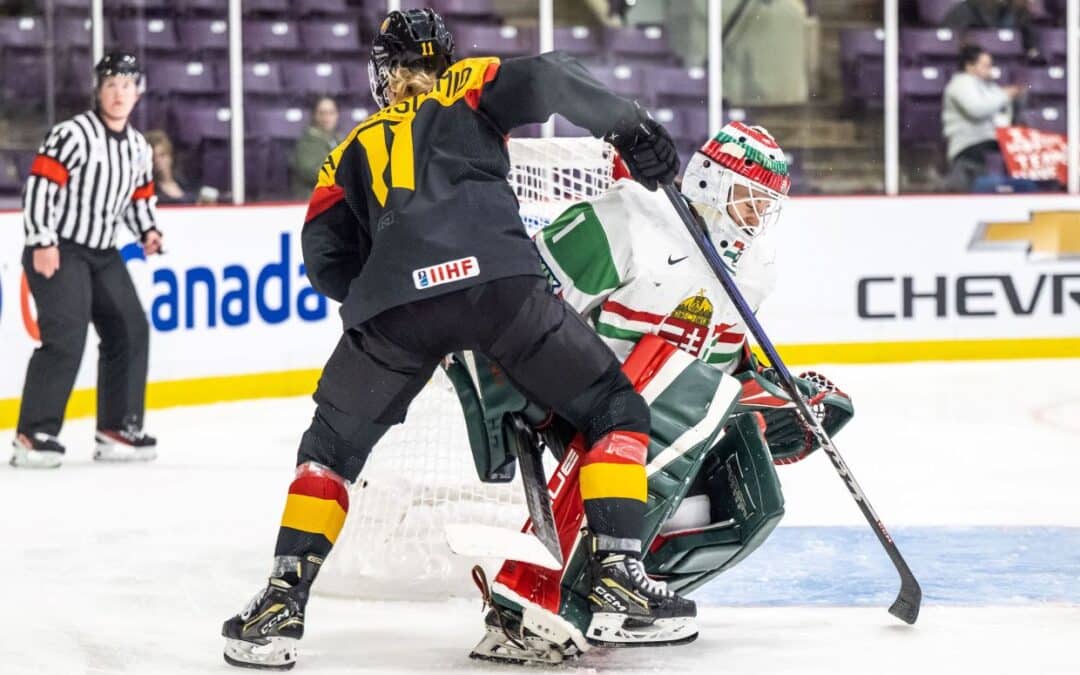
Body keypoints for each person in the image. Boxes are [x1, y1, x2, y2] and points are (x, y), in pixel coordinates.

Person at [221, 8, 688, 670]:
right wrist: (631, 127)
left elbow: (325, 263)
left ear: (383, 75)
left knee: (327, 453)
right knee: (614, 409)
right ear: (442, 60)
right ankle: (618, 577)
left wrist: (399, 292)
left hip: (393, 312)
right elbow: (552, 77)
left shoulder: (347, 147)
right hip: (501, 290)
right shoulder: (466, 84)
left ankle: (280, 603)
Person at [462, 123, 855, 664]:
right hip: (571, 398)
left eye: (767, 206)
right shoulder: (627, 220)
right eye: (748, 198)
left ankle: (613, 594)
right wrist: (495, 384)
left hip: (651, 418)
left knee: (743, 506)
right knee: (680, 386)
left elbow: (720, 364)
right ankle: (543, 590)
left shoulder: (754, 272)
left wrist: (774, 398)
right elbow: (520, 298)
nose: (756, 216)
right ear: (710, 182)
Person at [11, 52, 163, 469]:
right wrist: (42, 241)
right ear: (98, 90)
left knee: (130, 329)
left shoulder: (138, 147)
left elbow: (139, 198)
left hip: (103, 250)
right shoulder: (72, 135)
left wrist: (148, 230)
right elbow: (40, 188)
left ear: (137, 93)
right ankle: (33, 434)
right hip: (60, 246)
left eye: (127, 85)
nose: (119, 93)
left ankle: (117, 427)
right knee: (66, 336)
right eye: (111, 84)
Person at [942, 45, 1022, 192]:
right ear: (969, 66)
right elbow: (977, 109)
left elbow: (1002, 114)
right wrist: (1004, 95)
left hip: (988, 143)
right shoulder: (961, 83)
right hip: (968, 147)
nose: (989, 70)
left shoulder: (988, 86)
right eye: (985, 66)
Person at [944, 0, 1039, 60]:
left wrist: (1031, 50)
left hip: (1005, 55)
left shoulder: (1018, 10)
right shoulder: (968, 7)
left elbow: (1027, 35)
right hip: (975, 54)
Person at [145, 129, 218, 205]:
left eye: (162, 155)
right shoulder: (149, 191)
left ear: (170, 156)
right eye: (153, 157)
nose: (158, 161)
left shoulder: (186, 182)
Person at [289, 96, 341, 199]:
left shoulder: (339, 139)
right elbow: (311, 172)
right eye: (322, 113)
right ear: (315, 115)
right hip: (311, 199)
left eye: (331, 113)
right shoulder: (307, 142)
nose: (327, 118)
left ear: (337, 115)